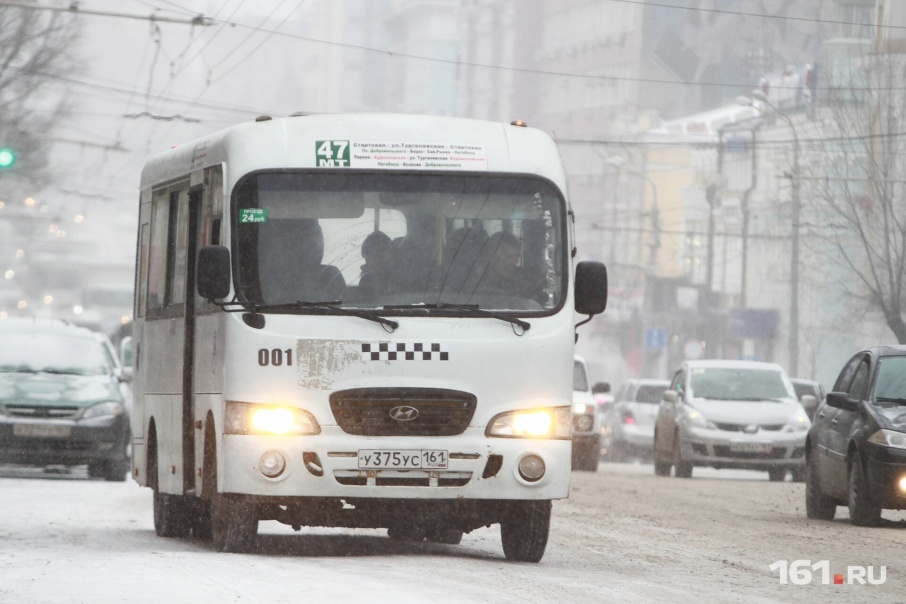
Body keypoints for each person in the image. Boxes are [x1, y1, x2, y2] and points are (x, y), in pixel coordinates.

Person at [470, 231, 544, 301]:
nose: (513, 262)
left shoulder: (524, 278)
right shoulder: (473, 280)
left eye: (516, 257)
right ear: (491, 254)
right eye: (508, 256)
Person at [358, 230, 394, 297]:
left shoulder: (402, 278)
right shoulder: (367, 279)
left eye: (378, 256)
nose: (372, 260)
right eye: (367, 255)